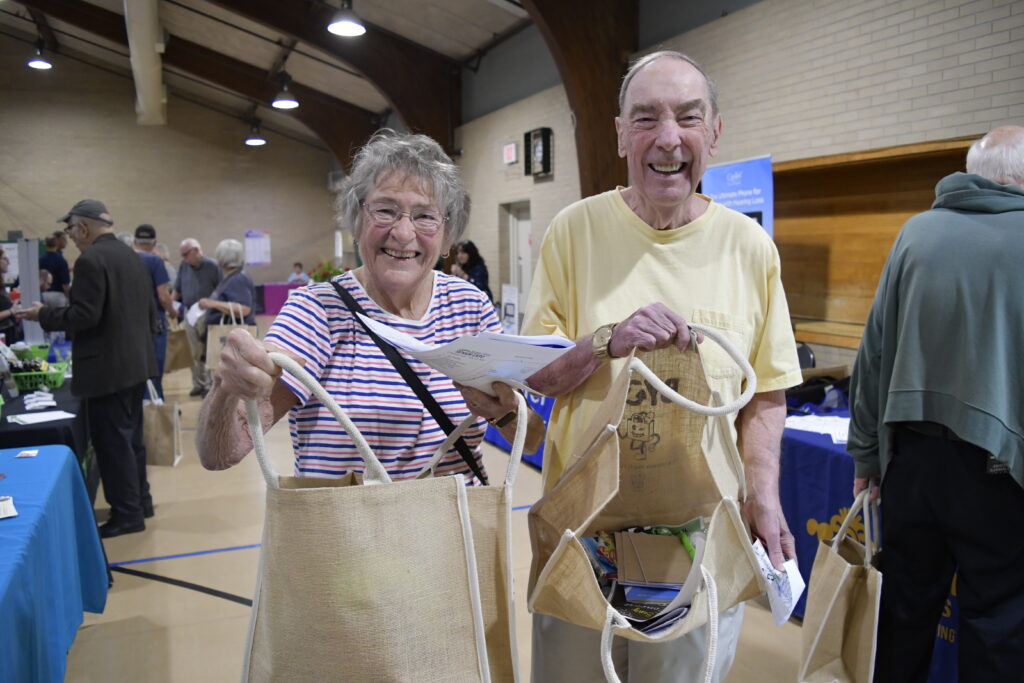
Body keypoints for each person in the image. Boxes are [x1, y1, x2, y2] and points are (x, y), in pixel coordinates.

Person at [520, 51, 802, 682]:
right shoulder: (573, 231)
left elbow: (766, 393)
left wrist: (765, 498)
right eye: (646, 118)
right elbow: (538, 376)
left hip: (697, 545)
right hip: (581, 540)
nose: (668, 138)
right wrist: (606, 341)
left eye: (688, 117)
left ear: (715, 132)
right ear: (621, 134)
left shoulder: (750, 248)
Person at [196, 129, 544, 484]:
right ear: (357, 222)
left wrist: (506, 414)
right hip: (349, 521)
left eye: (425, 216)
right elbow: (219, 454)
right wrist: (227, 389)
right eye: (385, 210)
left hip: (457, 518)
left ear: (447, 238)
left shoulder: (470, 306)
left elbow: (531, 441)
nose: (403, 233)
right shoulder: (317, 311)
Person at [847, 125, 1024, 682]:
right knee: (997, 624)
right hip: (1001, 468)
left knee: (903, 613)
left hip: (913, 463)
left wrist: (866, 454)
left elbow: (873, 354)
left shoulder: (916, 233)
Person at [18, 199, 158, 538]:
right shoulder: (131, 256)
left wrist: (43, 314)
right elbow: (149, 311)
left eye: (70, 229)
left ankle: (127, 514)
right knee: (131, 439)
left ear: (83, 227)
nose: (70, 236)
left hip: (107, 369)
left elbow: (85, 315)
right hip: (136, 364)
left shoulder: (91, 260)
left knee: (112, 444)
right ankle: (140, 502)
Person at [134, 224, 178, 400]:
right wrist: (173, 312)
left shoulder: (127, 259)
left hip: (131, 321)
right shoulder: (155, 261)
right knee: (154, 365)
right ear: (154, 243)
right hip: (154, 321)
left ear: (135, 242)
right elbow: (163, 297)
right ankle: (155, 401)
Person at [174, 238, 221, 397]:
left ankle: (208, 385)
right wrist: (171, 308)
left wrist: (211, 303)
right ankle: (198, 384)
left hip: (207, 313)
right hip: (189, 313)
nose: (184, 258)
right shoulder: (184, 266)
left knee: (206, 350)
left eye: (185, 254)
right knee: (192, 351)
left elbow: (221, 289)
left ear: (196, 250)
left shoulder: (213, 266)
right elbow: (177, 289)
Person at [198, 239, 257, 327]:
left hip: (234, 330)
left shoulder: (238, 279)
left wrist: (213, 303)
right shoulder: (231, 276)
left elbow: (244, 309)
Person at [39, 232, 71, 307]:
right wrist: (70, 296)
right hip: (58, 295)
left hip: (43, 295)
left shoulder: (40, 260)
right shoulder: (61, 261)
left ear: (45, 244)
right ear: (57, 244)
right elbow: (65, 284)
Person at [0, 247, 22, 345]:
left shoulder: (1, 284)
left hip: (8, 330)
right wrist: (11, 311)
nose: (8, 263)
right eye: (4, 259)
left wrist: (12, 305)